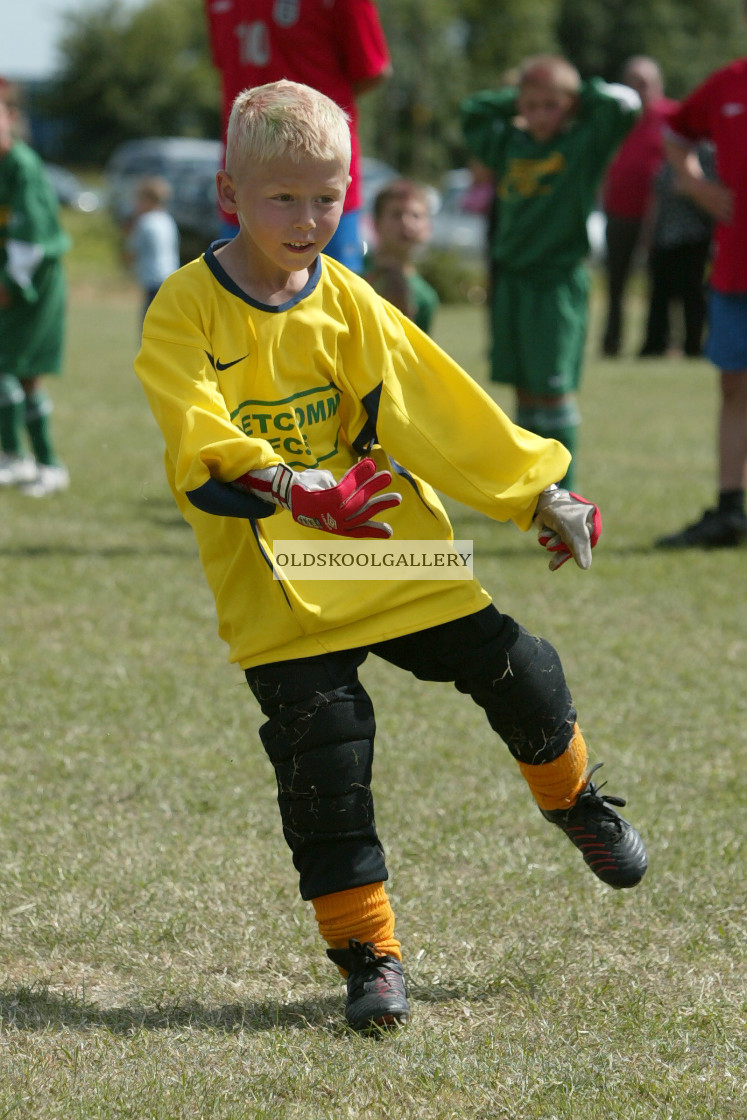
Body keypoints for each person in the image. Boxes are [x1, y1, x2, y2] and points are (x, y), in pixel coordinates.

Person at [134, 80, 647, 1034]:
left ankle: (576, 802)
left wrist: (541, 489)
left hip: (370, 550)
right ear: (229, 194)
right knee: (326, 765)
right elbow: (194, 429)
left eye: (326, 196)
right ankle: (370, 958)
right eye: (282, 196)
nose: (306, 218)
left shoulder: (350, 299)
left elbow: (437, 405)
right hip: (277, 584)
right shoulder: (185, 310)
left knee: (523, 668)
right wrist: (293, 485)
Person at [461, 56, 640, 491]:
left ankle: (564, 492)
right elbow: (471, 114)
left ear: (571, 105)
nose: (540, 115)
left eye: (552, 105)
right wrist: (519, 98)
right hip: (512, 282)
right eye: (532, 105)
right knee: (524, 389)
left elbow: (625, 107)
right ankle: (532, 488)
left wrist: (578, 95)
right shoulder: (510, 143)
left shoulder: (583, 144)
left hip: (556, 284)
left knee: (554, 391)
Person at [204, 0, 391, 272]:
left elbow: (371, 68)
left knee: (335, 306)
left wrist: (314, 122)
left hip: (320, 186)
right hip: (247, 180)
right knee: (231, 304)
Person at [655, 44, 747, 549]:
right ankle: (730, 510)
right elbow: (675, 134)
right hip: (736, 265)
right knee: (734, 387)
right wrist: (695, 184)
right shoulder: (728, 82)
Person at [0, 77, 70, 497]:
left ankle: (47, 465)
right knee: (11, 373)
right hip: (12, 280)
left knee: (19, 372)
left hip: (32, 284)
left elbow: (30, 242)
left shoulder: (22, 166)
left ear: (10, 118)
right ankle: (15, 458)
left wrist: (9, 283)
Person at [600, 56, 678, 357]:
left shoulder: (672, 116)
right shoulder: (616, 118)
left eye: (645, 82)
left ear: (658, 85)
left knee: (660, 284)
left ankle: (658, 343)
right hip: (619, 212)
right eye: (633, 82)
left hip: (662, 216)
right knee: (615, 284)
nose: (639, 88)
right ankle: (611, 342)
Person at [638, 145, 715, 359]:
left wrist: (690, 186)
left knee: (692, 294)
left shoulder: (706, 153)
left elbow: (713, 193)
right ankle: (655, 345)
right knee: (659, 293)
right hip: (664, 236)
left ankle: (693, 345)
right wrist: (649, 234)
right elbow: (657, 198)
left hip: (693, 235)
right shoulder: (669, 153)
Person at [363, 178, 439, 333]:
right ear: (376, 223)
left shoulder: (425, 298)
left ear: (428, 226)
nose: (406, 222)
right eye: (396, 214)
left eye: (416, 216)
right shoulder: (350, 271)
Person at [124, 176, 180, 324]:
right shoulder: (167, 220)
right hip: (171, 276)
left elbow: (131, 250)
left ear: (148, 200)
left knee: (148, 324)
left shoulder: (145, 222)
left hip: (153, 280)